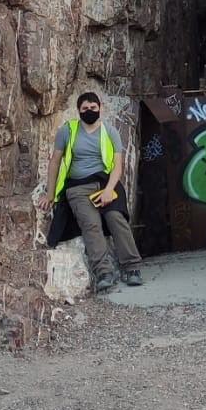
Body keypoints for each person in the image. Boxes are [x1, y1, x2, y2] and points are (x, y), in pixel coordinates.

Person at [37, 90, 143, 292]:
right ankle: (103, 272)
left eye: (93, 108)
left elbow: (117, 165)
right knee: (90, 223)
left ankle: (132, 267)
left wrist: (109, 190)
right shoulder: (67, 131)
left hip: (106, 183)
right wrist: (50, 193)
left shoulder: (109, 131)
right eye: (85, 108)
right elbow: (55, 161)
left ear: (100, 109)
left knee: (115, 218)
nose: (89, 111)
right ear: (78, 111)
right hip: (78, 186)